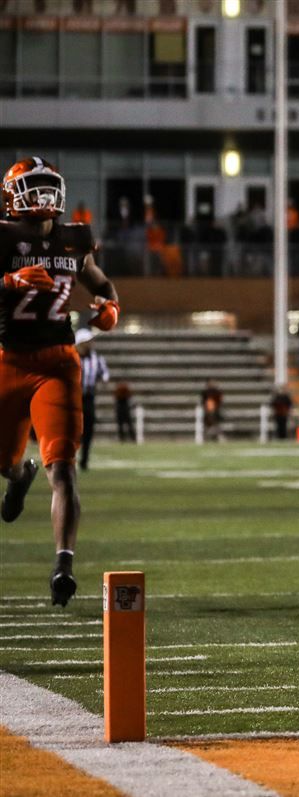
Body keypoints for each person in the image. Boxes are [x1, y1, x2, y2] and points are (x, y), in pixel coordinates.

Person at [0, 156, 121, 607]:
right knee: (5, 460)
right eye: (33, 186)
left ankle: (63, 565)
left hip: (58, 363)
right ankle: (17, 475)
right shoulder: (4, 235)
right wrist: (9, 280)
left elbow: (102, 285)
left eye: (48, 185)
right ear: (13, 195)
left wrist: (111, 309)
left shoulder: (74, 238)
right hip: (8, 359)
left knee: (64, 468)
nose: (43, 194)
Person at [76, 328, 109, 470]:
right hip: (72, 398)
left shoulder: (96, 359)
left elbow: (105, 374)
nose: (91, 344)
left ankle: (84, 459)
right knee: (72, 429)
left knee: (88, 428)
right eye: (88, 342)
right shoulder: (72, 357)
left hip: (88, 397)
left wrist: (102, 382)